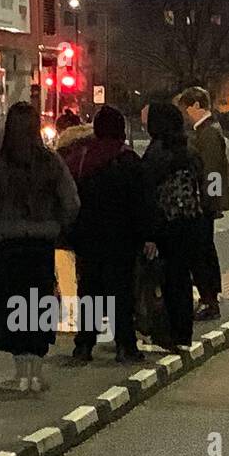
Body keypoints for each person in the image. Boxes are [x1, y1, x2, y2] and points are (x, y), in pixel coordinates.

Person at [0, 101, 80, 392]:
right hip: (41, 245)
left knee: (12, 306)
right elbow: (71, 202)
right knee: (38, 305)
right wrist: (56, 227)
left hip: (10, 247)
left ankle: (20, 374)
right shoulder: (51, 162)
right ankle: (36, 372)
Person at [60, 105, 151, 363]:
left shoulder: (80, 158)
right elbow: (141, 201)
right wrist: (145, 235)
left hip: (87, 236)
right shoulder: (128, 159)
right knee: (121, 292)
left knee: (88, 290)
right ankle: (125, 345)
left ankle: (84, 345)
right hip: (121, 238)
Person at [140, 101, 206, 351]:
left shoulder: (157, 152)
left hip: (165, 223)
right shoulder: (189, 149)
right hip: (190, 221)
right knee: (182, 277)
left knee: (162, 278)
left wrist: (149, 233)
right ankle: (183, 333)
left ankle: (165, 332)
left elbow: (148, 192)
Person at [176, 86, 229, 321]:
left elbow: (213, 172)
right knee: (204, 251)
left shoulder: (208, 134)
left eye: (186, 109)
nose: (185, 115)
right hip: (206, 203)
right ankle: (209, 297)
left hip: (203, 204)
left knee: (202, 252)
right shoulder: (207, 130)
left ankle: (209, 300)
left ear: (196, 106)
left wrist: (210, 204)